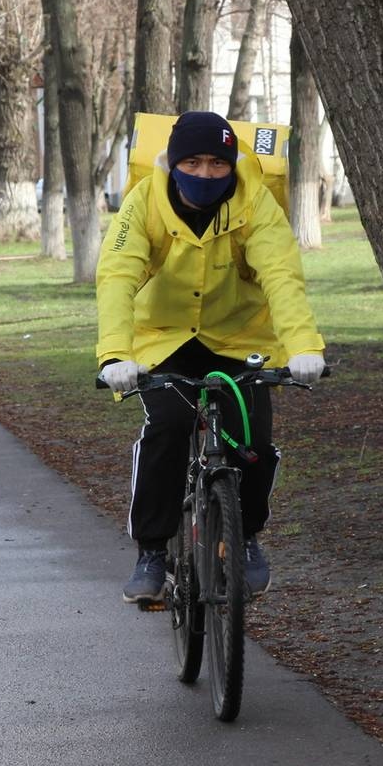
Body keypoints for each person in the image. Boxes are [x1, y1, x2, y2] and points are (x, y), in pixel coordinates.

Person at [96, 110, 326, 605]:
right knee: (169, 427)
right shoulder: (143, 204)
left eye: (218, 163)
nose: (205, 174)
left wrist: (305, 346)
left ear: (233, 164)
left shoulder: (256, 203)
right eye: (193, 162)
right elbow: (117, 277)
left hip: (240, 338)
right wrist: (116, 354)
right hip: (164, 338)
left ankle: (243, 538)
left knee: (254, 441)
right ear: (174, 163)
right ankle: (152, 551)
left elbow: (282, 277)